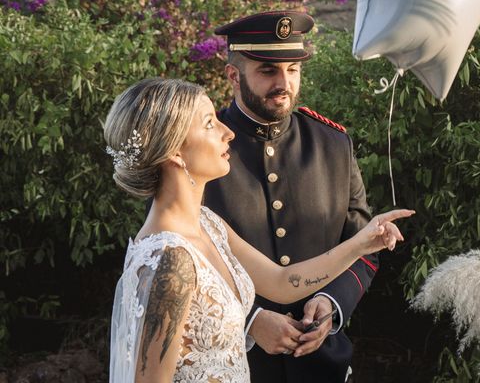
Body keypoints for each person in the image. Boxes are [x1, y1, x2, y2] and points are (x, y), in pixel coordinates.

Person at [105, 77, 412, 383]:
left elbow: (282, 282)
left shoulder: (207, 223)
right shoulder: (170, 261)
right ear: (174, 151)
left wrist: (362, 242)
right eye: (210, 124)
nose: (228, 133)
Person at [203, 10, 378, 383]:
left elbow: (364, 247)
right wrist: (249, 321)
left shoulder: (334, 145)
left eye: (293, 70)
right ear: (233, 75)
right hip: (233, 365)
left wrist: (332, 302)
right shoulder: (202, 150)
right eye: (268, 70)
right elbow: (185, 261)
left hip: (321, 364)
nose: (284, 82)